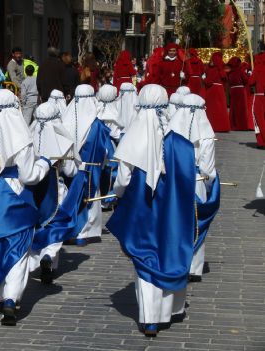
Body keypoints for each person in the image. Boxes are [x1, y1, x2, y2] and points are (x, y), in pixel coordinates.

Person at [106, 84, 195, 337]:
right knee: (169, 250)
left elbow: (122, 181)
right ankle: (169, 310)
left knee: (145, 256)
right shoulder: (180, 143)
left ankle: (150, 318)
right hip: (171, 208)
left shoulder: (132, 138)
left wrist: (118, 197)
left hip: (142, 207)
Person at [0, 89, 51, 326]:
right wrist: (44, 164)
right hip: (15, 201)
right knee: (18, 251)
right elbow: (30, 175)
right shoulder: (21, 140)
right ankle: (11, 299)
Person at [169, 93, 220, 283]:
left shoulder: (170, 132)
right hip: (196, 181)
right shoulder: (205, 136)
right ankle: (194, 266)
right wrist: (208, 184)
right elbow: (208, 169)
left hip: (175, 180)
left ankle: (176, 260)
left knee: (176, 221)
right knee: (196, 222)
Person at [28, 102, 78, 283]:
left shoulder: (27, 136)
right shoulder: (64, 140)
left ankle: (36, 259)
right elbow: (71, 171)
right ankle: (48, 255)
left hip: (31, 190)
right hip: (56, 190)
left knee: (36, 225)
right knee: (55, 225)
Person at [61, 84, 111, 246]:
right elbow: (104, 150)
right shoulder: (97, 125)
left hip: (69, 169)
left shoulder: (65, 119)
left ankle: (69, 230)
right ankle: (85, 232)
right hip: (91, 169)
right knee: (89, 199)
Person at [204, 52, 230, 132]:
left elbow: (208, 80)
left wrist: (205, 80)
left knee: (212, 108)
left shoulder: (211, 68)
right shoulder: (221, 68)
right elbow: (224, 79)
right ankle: (222, 126)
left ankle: (213, 126)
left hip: (212, 89)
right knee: (220, 108)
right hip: (219, 89)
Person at [227, 57, 251, 131]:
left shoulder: (230, 72)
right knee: (241, 108)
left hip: (232, 90)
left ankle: (234, 124)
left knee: (234, 108)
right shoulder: (240, 71)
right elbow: (245, 80)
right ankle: (241, 125)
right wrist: (249, 76)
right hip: (240, 90)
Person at [248, 50, 265, 148]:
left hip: (259, 96)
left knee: (259, 119)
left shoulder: (258, 68)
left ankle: (262, 141)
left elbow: (251, 82)